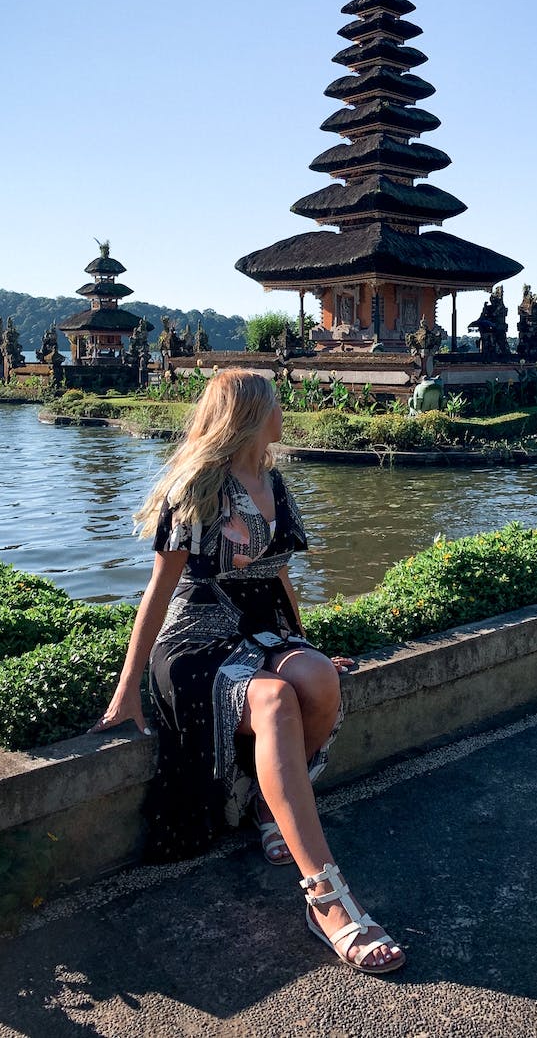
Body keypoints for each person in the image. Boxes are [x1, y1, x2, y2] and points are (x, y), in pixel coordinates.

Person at [92, 368, 404, 975]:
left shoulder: (272, 480)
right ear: (251, 415)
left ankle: (269, 806)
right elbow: (158, 592)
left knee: (317, 679)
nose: (284, 414)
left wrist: (305, 645)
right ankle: (328, 900)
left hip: (260, 623)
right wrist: (128, 688)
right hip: (196, 637)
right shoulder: (199, 486)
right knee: (274, 704)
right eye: (275, 406)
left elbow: (281, 572)